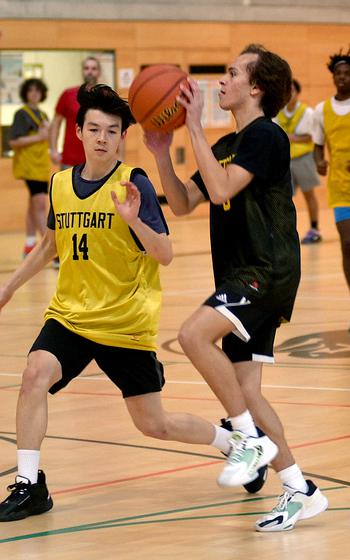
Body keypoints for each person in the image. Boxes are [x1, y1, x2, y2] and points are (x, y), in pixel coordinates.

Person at [0, 83, 246, 523]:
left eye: (111, 131)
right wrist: (11, 286)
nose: (101, 138)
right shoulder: (59, 183)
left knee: (154, 424)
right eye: (93, 129)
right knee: (35, 373)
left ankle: (235, 444)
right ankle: (29, 484)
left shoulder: (134, 183)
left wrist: (135, 222)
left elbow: (166, 254)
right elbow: (49, 246)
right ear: (77, 132)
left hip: (125, 322)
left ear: (121, 138)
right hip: (71, 316)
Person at [145, 44, 328, 532]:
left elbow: (223, 189)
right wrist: (163, 154)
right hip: (244, 273)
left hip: (264, 270)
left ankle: (248, 441)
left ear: (256, 87)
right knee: (247, 391)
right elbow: (184, 202)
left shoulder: (267, 135)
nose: (221, 82)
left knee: (191, 335)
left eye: (231, 73)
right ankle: (299, 488)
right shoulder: (230, 144)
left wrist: (194, 127)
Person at [313, 48, 350, 293]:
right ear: (333, 76)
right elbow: (318, 147)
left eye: (348, 73)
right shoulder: (321, 111)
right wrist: (319, 162)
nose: (343, 77)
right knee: (347, 243)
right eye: (339, 72)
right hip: (340, 188)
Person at [275, 79, 321, 244]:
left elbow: (311, 136)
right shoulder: (277, 112)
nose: (290, 93)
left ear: (298, 92)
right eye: (287, 90)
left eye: (293, 90)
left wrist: (292, 138)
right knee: (284, 197)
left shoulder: (307, 112)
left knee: (309, 195)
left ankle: (314, 229)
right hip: (285, 160)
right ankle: (285, 231)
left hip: (303, 158)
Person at [9, 78, 50, 258]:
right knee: (40, 204)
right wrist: (39, 137)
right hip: (28, 166)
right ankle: (49, 248)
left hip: (41, 165)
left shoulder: (43, 116)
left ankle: (29, 244)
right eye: (31, 90)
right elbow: (14, 141)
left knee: (33, 205)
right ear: (25, 93)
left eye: (38, 91)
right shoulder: (21, 114)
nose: (34, 94)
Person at [49, 56, 101, 169]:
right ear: (82, 71)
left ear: (99, 72)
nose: (90, 71)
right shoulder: (68, 94)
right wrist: (53, 149)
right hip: (70, 161)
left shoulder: (107, 97)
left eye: (94, 68)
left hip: (99, 160)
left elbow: (117, 127)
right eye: (86, 68)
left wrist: (119, 155)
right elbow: (56, 124)